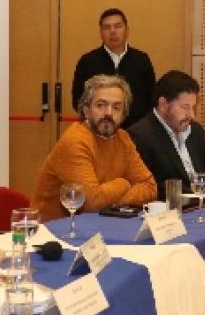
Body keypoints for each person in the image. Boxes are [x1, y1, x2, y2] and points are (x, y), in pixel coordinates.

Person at [33, 74, 156, 221]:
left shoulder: (123, 138)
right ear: (86, 110)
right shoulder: (76, 141)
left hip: (102, 222)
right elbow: (90, 202)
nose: (109, 113)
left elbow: (149, 187)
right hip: (56, 228)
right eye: (101, 105)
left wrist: (111, 202)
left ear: (124, 114)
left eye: (116, 107)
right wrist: (124, 184)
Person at [126, 70, 205, 198]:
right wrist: (195, 197)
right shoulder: (140, 135)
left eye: (193, 107)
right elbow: (152, 188)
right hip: (172, 207)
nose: (191, 115)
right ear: (163, 104)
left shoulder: (196, 131)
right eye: (185, 107)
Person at [71, 8, 156, 128]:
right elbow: (78, 100)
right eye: (107, 27)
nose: (112, 31)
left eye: (118, 26)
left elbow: (151, 98)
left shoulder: (142, 60)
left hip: (136, 130)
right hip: (99, 129)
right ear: (100, 33)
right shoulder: (87, 61)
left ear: (127, 30)